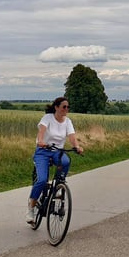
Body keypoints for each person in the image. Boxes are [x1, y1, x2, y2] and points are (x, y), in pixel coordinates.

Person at [26, 96, 84, 224]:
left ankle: (58, 187)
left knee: (66, 161)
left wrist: (77, 147)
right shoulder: (48, 118)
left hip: (58, 151)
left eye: (68, 107)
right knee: (41, 180)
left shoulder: (68, 121)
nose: (66, 109)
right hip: (43, 151)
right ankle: (31, 207)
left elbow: (72, 137)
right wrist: (40, 141)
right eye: (64, 106)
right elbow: (42, 131)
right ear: (56, 107)